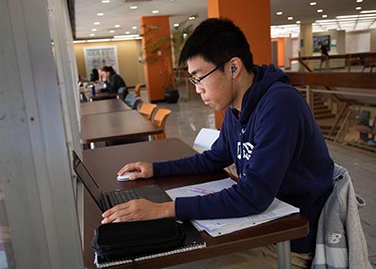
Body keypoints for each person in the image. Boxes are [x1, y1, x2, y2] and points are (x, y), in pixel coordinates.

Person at [101, 18, 334, 268]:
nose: (198, 89)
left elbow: (253, 196)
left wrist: (164, 209)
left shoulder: (279, 105)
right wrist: (155, 169)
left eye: (199, 77)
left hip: (289, 239)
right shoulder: (237, 107)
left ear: (233, 67)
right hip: (259, 224)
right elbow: (214, 158)